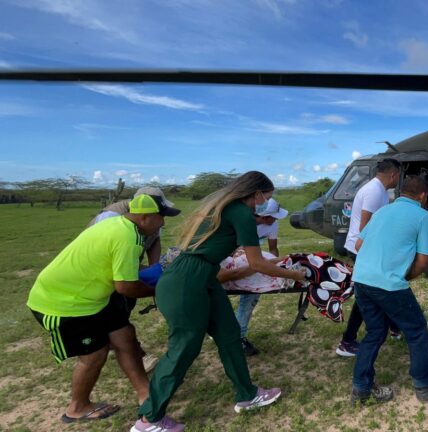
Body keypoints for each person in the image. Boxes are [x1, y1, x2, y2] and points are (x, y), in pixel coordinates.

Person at [133, 172, 307, 432]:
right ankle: (149, 419)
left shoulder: (223, 207)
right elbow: (257, 262)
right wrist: (294, 274)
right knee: (183, 349)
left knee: (229, 334)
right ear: (256, 194)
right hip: (187, 281)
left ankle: (247, 394)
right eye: (266, 197)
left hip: (205, 278)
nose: (264, 203)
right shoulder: (242, 212)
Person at [27, 194, 178, 424]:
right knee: (94, 355)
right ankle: (77, 408)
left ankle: (145, 393)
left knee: (124, 335)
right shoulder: (128, 237)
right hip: (63, 303)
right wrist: (159, 291)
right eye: (161, 218)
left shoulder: (117, 223)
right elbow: (126, 287)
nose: (163, 224)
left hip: (94, 298)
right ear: (145, 217)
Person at [351, 175, 428, 404]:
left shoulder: (382, 211)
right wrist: (406, 277)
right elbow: (423, 261)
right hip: (389, 284)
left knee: (374, 333)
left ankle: (361, 387)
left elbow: (358, 244)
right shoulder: (423, 216)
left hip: (362, 280)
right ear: (423, 196)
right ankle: (424, 383)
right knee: (416, 329)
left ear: (400, 193)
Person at [87, 186, 176, 372]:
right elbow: (105, 259)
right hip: (103, 274)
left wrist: (155, 269)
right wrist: (154, 287)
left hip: (126, 268)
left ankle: (125, 348)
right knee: (117, 319)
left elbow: (154, 240)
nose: (163, 222)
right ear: (146, 212)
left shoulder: (148, 218)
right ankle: (137, 355)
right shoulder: (111, 219)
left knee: (122, 314)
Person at [336, 158, 402, 357]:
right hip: (362, 249)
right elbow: (365, 226)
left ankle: (394, 326)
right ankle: (347, 341)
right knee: (367, 295)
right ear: (393, 174)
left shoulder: (378, 190)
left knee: (378, 290)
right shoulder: (374, 191)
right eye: (398, 175)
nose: (398, 179)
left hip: (365, 248)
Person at [233, 198, 289, 356]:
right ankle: (235, 337)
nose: (276, 220)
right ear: (263, 217)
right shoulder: (243, 223)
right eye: (274, 217)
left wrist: (275, 269)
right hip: (230, 258)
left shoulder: (273, 225)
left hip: (252, 259)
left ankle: (239, 337)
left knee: (252, 294)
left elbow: (273, 249)